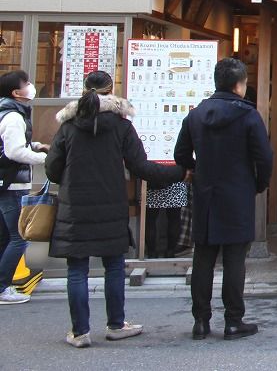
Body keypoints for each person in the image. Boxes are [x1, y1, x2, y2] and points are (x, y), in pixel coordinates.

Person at [46, 71, 184, 347]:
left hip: (75, 207)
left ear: (85, 90)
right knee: (113, 266)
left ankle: (80, 332)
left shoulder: (68, 126)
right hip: (111, 204)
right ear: (111, 90)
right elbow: (140, 167)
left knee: (76, 270)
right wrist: (179, 172)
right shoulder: (121, 126)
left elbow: (52, 168)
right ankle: (116, 324)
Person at [174, 57, 272, 341]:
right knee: (234, 260)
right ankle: (233, 321)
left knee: (203, 258)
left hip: (205, 192)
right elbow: (264, 157)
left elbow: (180, 154)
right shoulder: (248, 115)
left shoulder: (196, 114)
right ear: (240, 85)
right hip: (238, 192)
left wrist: (195, 169)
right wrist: (259, 183)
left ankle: (201, 322)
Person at [0, 69, 47, 306]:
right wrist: (44, 160)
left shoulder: (5, 111)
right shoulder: (13, 116)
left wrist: (36, 145)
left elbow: (15, 143)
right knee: (19, 237)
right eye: (26, 83)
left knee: (4, 237)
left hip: (4, 183)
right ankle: (2, 287)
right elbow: (14, 151)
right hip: (12, 184)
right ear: (16, 92)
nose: (31, 85)